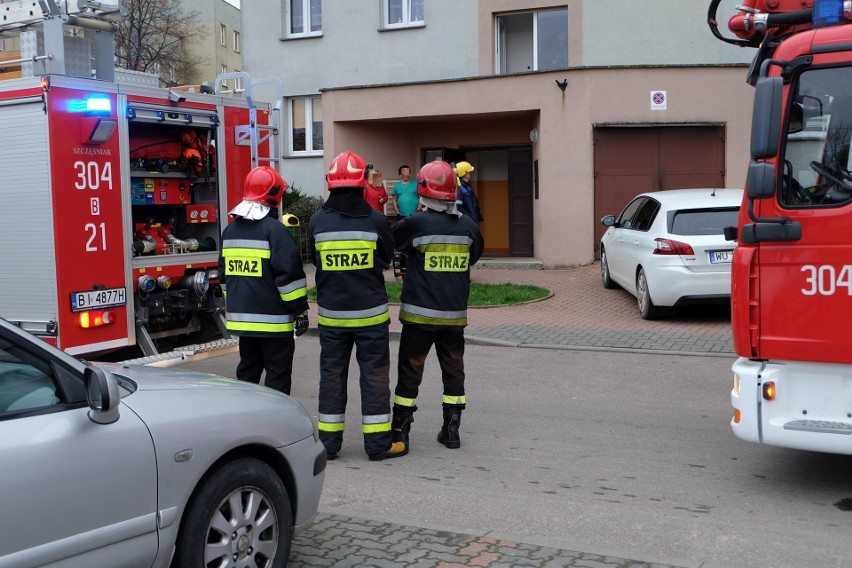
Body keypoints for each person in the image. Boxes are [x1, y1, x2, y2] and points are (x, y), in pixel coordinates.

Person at [308, 151, 407, 461]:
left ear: (331, 183)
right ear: (362, 182)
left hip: (332, 318)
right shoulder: (376, 220)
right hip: (371, 317)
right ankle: (378, 445)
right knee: (375, 377)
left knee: (332, 376)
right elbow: (385, 259)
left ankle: (329, 445)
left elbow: (315, 261)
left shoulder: (317, 221)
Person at [389, 160, 484, 456]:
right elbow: (474, 256)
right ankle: (451, 429)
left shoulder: (415, 223)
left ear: (423, 191)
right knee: (454, 371)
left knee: (410, 372)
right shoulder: (467, 226)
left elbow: (394, 243)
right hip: (454, 317)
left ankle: (401, 430)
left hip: (418, 315)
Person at [217, 166, 309, 395]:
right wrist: (299, 312)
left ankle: (246, 420)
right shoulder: (275, 231)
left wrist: (237, 303)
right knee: (277, 379)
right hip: (274, 322)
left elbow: (224, 277)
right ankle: (275, 426)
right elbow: (288, 277)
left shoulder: (229, 231)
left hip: (243, 322)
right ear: (274, 196)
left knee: (247, 375)